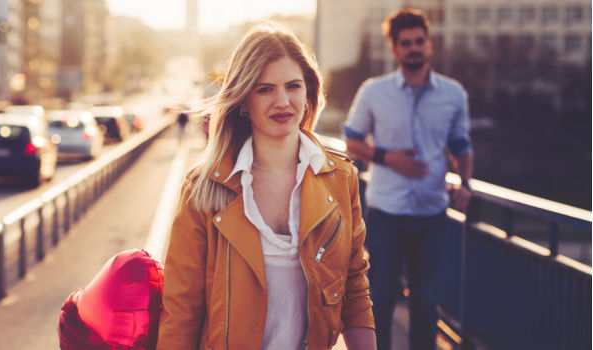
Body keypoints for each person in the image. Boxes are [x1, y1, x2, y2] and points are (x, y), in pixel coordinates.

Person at [158, 22, 376, 350]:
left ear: (309, 94)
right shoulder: (202, 190)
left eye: (293, 86)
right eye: (265, 89)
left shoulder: (341, 179)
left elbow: (354, 289)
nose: (283, 101)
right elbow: (181, 310)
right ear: (243, 101)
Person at [342, 8, 473, 350]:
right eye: (406, 43)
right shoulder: (373, 91)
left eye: (419, 41)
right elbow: (352, 141)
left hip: (431, 212)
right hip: (386, 210)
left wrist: (465, 183)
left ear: (429, 44)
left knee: (426, 301)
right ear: (394, 49)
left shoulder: (453, 93)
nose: (414, 48)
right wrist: (389, 158)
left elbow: (460, 144)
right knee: (380, 298)